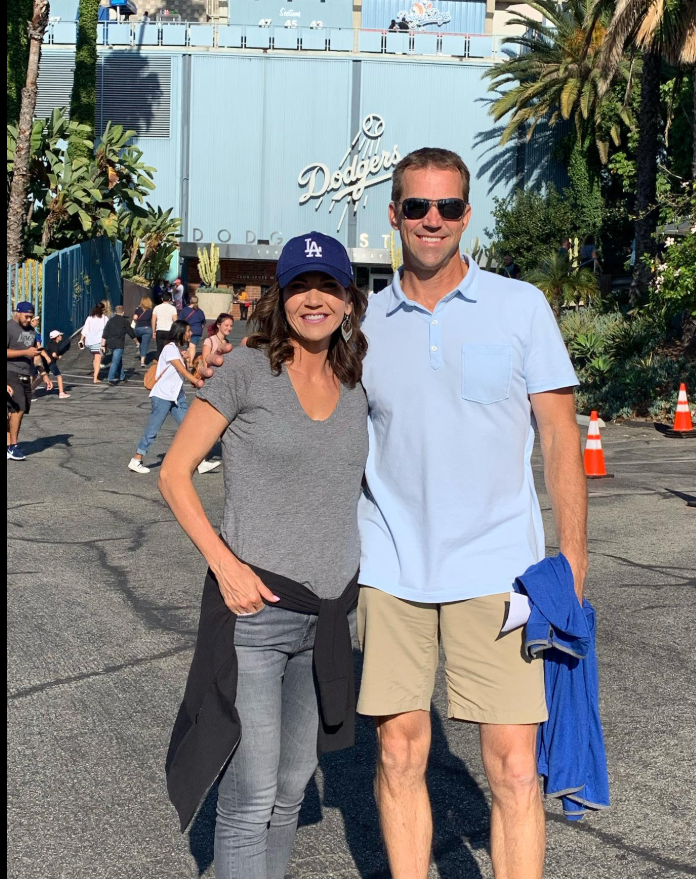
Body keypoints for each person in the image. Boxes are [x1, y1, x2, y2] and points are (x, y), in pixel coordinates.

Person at [200, 150, 589, 879]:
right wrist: (220, 365)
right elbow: (296, 371)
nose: (431, 221)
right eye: (416, 207)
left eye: (446, 207)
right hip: (390, 571)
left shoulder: (519, 306)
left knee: (511, 768)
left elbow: (560, 437)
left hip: (499, 573)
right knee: (400, 751)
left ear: (467, 214)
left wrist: (572, 554)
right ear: (393, 215)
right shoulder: (366, 321)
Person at [162, 233, 369, 879]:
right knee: (250, 795)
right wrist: (226, 564)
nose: (314, 299)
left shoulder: (355, 380)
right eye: (301, 287)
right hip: (255, 614)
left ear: (347, 300)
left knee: (289, 790)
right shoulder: (248, 370)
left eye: (327, 286)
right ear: (279, 299)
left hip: (330, 617)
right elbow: (174, 472)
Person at [128, 321, 221, 476]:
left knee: (190, 428)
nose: (190, 333)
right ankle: (136, 459)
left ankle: (200, 463)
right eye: (188, 331)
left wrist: (185, 358)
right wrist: (196, 381)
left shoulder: (176, 350)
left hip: (177, 396)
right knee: (153, 428)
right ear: (181, 332)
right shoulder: (170, 348)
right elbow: (182, 371)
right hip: (163, 395)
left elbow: (180, 370)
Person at [7, 301, 39, 460]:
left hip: (26, 374)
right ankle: (13, 447)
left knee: (20, 409)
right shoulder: (9, 327)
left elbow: (33, 353)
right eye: (26, 316)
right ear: (17, 312)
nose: (28, 319)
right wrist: (25, 351)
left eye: (31, 317)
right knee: (18, 406)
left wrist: (41, 372)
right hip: (10, 371)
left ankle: (8, 445)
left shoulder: (32, 331)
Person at [101, 305, 137, 385]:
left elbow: (105, 333)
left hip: (111, 343)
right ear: (123, 312)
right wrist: (136, 342)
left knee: (118, 359)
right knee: (115, 361)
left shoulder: (110, 321)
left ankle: (122, 376)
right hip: (119, 344)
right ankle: (110, 378)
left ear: (115, 312)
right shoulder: (125, 321)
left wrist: (103, 345)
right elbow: (131, 333)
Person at [80, 302, 109, 384]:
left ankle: (95, 375)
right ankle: (95, 378)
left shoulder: (89, 318)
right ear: (102, 310)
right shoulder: (104, 318)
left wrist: (81, 340)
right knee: (98, 360)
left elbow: (85, 330)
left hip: (89, 342)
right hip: (98, 341)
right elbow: (107, 330)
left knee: (95, 359)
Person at [39, 330, 71, 398]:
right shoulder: (55, 345)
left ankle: (32, 389)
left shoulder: (49, 344)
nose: (61, 336)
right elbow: (54, 354)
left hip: (45, 362)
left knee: (44, 376)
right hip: (51, 362)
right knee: (59, 376)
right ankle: (61, 393)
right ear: (57, 337)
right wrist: (58, 357)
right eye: (59, 335)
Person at [178, 296, 206, 366]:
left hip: (187, 330)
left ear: (190, 301)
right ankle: (189, 361)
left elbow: (180, 320)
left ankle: (189, 361)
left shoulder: (185, 310)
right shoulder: (200, 311)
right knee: (191, 346)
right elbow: (203, 321)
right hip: (197, 330)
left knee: (190, 346)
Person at [152, 292, 178, 357]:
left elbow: (153, 320)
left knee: (159, 349)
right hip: (169, 330)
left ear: (162, 299)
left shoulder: (156, 308)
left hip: (159, 330)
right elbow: (175, 321)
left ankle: (160, 363)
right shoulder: (173, 308)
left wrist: (153, 331)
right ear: (170, 299)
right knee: (170, 349)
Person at [133, 297, 154, 367]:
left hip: (138, 328)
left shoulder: (138, 309)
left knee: (139, 340)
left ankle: (138, 345)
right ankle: (142, 361)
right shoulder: (151, 310)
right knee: (144, 344)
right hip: (147, 328)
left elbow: (135, 318)